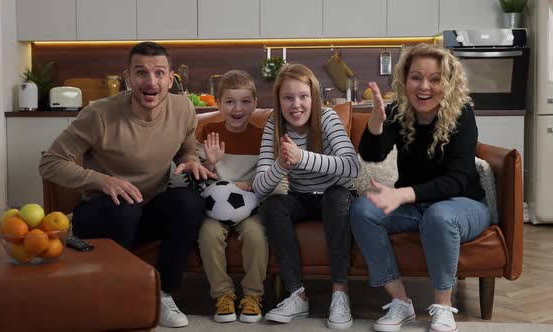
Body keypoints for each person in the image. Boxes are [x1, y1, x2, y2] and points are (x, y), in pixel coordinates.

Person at [39, 42, 216, 328]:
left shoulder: (183, 108)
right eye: (141, 73)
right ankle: (113, 293)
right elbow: (49, 162)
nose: (151, 82)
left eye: (159, 73)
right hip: (102, 212)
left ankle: (163, 292)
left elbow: (186, 148)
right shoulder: (98, 114)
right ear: (128, 77)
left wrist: (192, 160)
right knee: (125, 208)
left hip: (147, 210)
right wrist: (102, 180)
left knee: (189, 202)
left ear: (171, 80)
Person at [349, 43, 490, 332]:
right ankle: (401, 303)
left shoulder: (462, 114)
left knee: (439, 215)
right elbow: (372, 154)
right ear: (405, 80)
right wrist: (376, 122)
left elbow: (458, 179)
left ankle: (442, 306)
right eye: (416, 77)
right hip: (416, 206)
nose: (424, 86)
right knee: (362, 209)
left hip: (464, 204)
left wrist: (402, 194)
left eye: (435, 79)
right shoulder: (399, 112)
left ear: (448, 83)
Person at [253, 63, 360, 329]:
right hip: (301, 197)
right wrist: (281, 165)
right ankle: (297, 294)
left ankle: (339, 293)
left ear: (314, 97)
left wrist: (303, 158)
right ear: (278, 100)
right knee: (274, 204)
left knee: (337, 196)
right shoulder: (273, 125)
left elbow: (352, 167)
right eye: (288, 98)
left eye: (303, 96)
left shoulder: (327, 118)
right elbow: (259, 188)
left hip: (334, 196)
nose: (296, 105)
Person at [196, 70, 269, 324]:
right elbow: (196, 175)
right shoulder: (208, 132)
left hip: (249, 207)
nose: (237, 108)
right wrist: (210, 162)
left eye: (245, 101)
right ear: (218, 104)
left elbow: (269, 174)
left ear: (255, 104)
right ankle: (223, 295)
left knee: (256, 235)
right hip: (214, 209)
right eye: (230, 102)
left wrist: (251, 182)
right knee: (208, 234)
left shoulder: (263, 137)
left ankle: (252, 295)